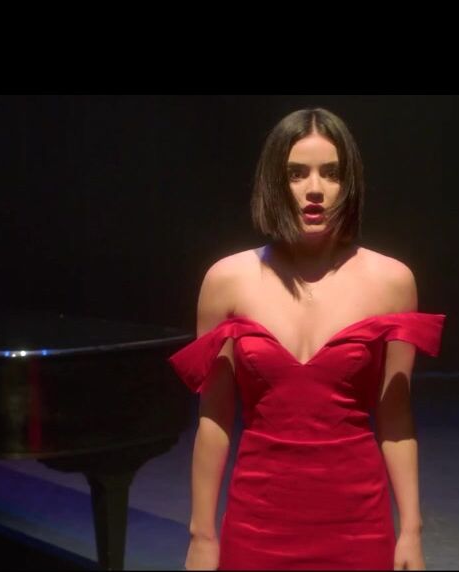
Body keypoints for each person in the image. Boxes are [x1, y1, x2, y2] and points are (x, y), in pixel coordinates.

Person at [169, 108, 445, 570]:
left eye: (331, 173)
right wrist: (202, 535)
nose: (314, 189)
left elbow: (395, 415)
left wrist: (412, 532)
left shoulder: (392, 282)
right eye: (296, 173)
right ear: (273, 183)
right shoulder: (227, 281)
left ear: (349, 183)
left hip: (358, 525)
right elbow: (213, 418)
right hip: (257, 523)